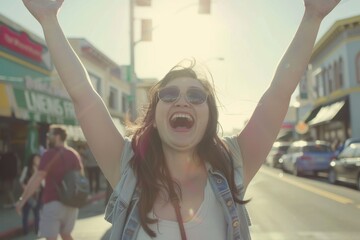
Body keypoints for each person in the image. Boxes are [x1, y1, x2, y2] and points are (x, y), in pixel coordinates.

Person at [21, 0, 341, 239]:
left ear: (208, 115)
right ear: (155, 116)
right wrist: (49, 20)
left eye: (196, 96)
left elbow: (278, 94)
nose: (183, 100)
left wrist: (312, 16)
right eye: (169, 94)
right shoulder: (127, 167)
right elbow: (83, 95)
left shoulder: (233, 163)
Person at [16, 125, 84, 240]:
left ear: (57, 137)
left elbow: (37, 178)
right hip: (72, 203)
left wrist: (22, 200)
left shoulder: (49, 154)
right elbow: (81, 178)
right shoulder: (73, 154)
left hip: (53, 203)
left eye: (49, 135)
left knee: (51, 237)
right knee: (66, 235)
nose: (47, 138)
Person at [18, 153, 42, 235]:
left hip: (38, 195)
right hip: (28, 195)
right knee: (26, 214)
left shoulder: (41, 169)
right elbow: (21, 180)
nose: (37, 160)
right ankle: (25, 231)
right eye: (35, 159)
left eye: (38, 158)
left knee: (37, 214)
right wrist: (25, 188)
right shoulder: (27, 169)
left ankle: (37, 230)